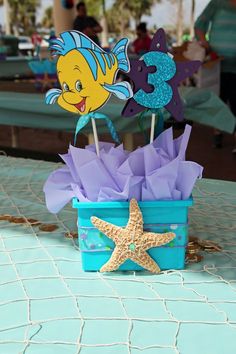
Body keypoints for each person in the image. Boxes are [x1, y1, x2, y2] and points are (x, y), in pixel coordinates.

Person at [195, 0, 236, 152]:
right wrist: (204, 43)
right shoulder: (217, 3)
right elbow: (200, 24)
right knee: (219, 99)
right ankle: (217, 132)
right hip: (216, 64)